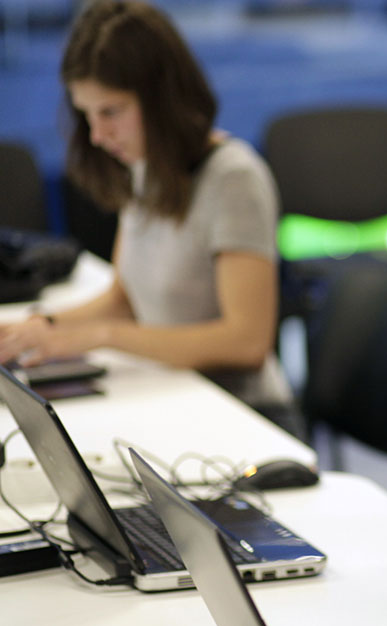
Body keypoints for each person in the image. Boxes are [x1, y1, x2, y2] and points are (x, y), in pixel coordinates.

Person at [0, 1, 293, 424]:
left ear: (162, 98)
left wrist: (101, 337)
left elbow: (246, 343)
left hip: (246, 414)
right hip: (176, 395)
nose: (98, 135)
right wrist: (41, 326)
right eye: (87, 116)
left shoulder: (234, 178)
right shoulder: (143, 168)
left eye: (110, 112)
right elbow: (125, 300)